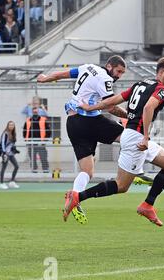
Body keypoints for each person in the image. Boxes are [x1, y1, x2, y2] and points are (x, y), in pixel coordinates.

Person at [64, 57, 164, 227]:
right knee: (121, 186)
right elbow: (148, 108)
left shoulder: (140, 84)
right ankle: (78, 197)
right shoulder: (162, 90)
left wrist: (92, 107)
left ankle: (148, 204)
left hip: (132, 135)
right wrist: (146, 137)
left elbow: (115, 100)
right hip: (137, 139)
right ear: (161, 72)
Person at [37, 55, 127, 224]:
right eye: (118, 71)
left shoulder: (87, 67)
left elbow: (62, 75)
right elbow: (110, 106)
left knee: (87, 170)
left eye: (122, 73)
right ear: (109, 66)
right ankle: (131, 172)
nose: (119, 75)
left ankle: (75, 199)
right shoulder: (105, 78)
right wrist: (129, 116)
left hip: (73, 123)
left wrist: (45, 78)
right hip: (89, 120)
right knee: (130, 137)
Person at [23, 107, 51, 173]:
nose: (35, 112)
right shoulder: (28, 120)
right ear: (32, 112)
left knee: (43, 156)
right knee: (32, 157)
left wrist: (45, 140)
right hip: (31, 142)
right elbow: (24, 131)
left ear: (38, 112)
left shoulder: (43, 120)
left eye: (36, 111)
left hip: (41, 142)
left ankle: (45, 169)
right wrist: (26, 139)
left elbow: (48, 131)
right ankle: (34, 169)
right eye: (34, 111)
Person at [0, 121, 20, 190]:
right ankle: (1, 183)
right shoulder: (5, 133)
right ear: (7, 126)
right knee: (4, 168)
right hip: (5, 153)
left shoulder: (13, 134)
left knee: (16, 166)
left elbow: (12, 144)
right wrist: (4, 153)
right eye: (10, 125)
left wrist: (15, 150)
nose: (11, 126)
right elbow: (2, 143)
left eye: (12, 125)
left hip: (11, 153)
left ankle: (12, 182)